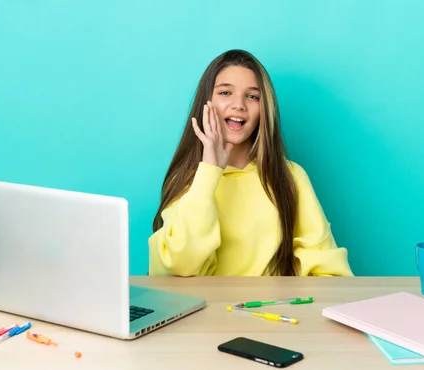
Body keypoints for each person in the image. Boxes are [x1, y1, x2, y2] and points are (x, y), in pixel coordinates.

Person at [148, 49, 353, 277]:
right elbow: (179, 264)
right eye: (225, 92)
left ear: (264, 110)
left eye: (253, 96)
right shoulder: (188, 179)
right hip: (209, 311)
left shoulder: (291, 176)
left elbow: (330, 271)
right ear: (206, 103)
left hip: (269, 310)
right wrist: (209, 171)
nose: (239, 105)